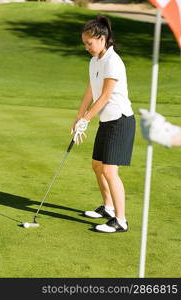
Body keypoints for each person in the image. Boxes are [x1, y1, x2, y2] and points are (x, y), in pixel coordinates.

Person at [71, 15, 136, 233]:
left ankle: (121, 220)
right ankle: (108, 208)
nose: (86, 47)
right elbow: (91, 90)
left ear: (101, 38)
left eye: (89, 43)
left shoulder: (113, 62)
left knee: (109, 170)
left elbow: (106, 96)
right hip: (107, 121)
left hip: (120, 121)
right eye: (84, 44)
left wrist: (86, 120)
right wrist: (79, 117)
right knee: (97, 166)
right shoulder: (95, 61)